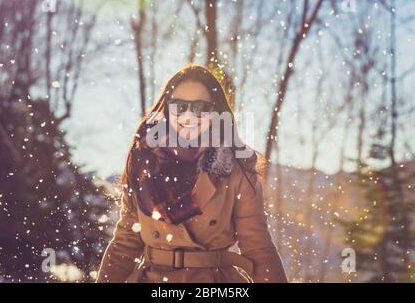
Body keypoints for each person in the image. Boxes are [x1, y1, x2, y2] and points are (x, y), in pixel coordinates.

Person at [96, 63, 287, 283]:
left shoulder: (236, 170)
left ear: (215, 111)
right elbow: (125, 245)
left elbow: (258, 248)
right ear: (167, 109)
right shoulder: (143, 163)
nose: (188, 116)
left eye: (200, 107)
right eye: (179, 106)